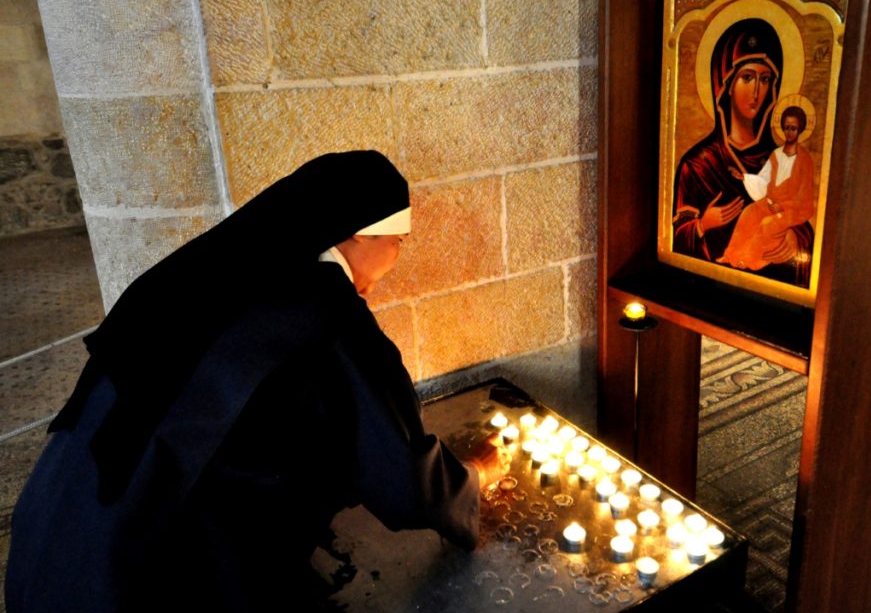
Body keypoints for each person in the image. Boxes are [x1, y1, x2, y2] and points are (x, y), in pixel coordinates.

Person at [5, 150, 509, 613]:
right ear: (359, 233)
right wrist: (472, 479)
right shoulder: (321, 312)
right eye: (398, 243)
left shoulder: (209, 273)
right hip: (141, 571)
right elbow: (401, 475)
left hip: (56, 531)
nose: (396, 260)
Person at [672, 18, 813, 286]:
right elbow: (674, 236)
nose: (757, 91)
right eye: (747, 78)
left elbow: (803, 212)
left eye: (765, 78)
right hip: (706, 288)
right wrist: (702, 224)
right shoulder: (698, 164)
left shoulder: (782, 157)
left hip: (769, 296)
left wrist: (796, 238)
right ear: (724, 85)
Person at [717, 105, 816, 273]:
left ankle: (747, 260)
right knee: (749, 213)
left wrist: (783, 207)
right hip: (770, 201)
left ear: (800, 130)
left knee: (767, 224)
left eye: (793, 128)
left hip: (793, 209)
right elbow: (764, 179)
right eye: (786, 128)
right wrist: (745, 178)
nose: (789, 132)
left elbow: (804, 196)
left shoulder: (805, 159)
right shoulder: (776, 154)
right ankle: (730, 254)